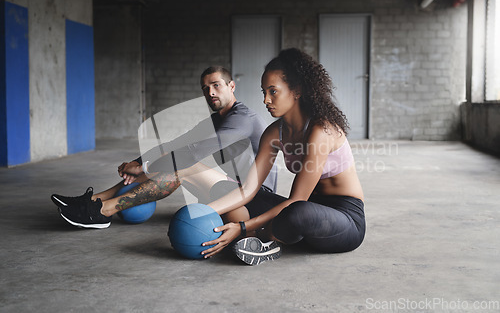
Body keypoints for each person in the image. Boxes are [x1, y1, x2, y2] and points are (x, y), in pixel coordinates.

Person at [51, 66, 277, 229]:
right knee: (175, 156)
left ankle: (103, 211)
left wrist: (147, 168)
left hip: (254, 198)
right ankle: (93, 201)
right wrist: (138, 162)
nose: (210, 93)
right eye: (205, 88)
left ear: (231, 85)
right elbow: (178, 142)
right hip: (231, 192)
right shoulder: (217, 119)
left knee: (183, 165)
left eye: (216, 85)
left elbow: (194, 151)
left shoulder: (242, 119)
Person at [200, 48, 366, 265]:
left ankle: (257, 237)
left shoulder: (321, 130)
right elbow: (249, 188)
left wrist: (242, 226)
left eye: (273, 91)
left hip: (343, 220)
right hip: (301, 215)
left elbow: (298, 199)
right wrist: (202, 212)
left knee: (297, 212)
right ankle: (260, 240)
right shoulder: (273, 133)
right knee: (228, 189)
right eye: (263, 92)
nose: (266, 100)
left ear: (296, 91)